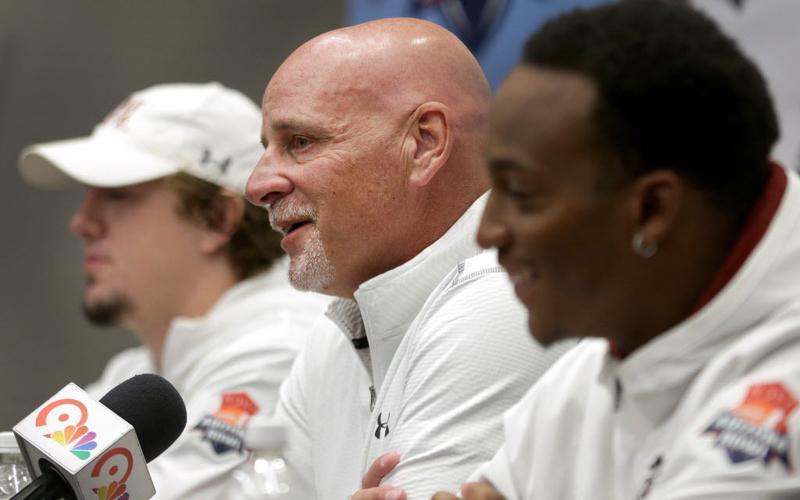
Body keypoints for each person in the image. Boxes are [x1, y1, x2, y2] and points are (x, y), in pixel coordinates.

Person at [432, 1, 800, 498]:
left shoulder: (782, 392)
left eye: (519, 194)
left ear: (651, 208)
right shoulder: (611, 343)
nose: (488, 232)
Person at [245, 18, 572, 500]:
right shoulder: (335, 336)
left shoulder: (507, 296)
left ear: (425, 143)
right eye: (267, 148)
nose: (257, 185)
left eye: (301, 142)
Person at [19, 82, 329, 499]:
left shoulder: (283, 346)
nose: (83, 222)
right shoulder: (134, 372)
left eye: (117, 195)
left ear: (216, 219)